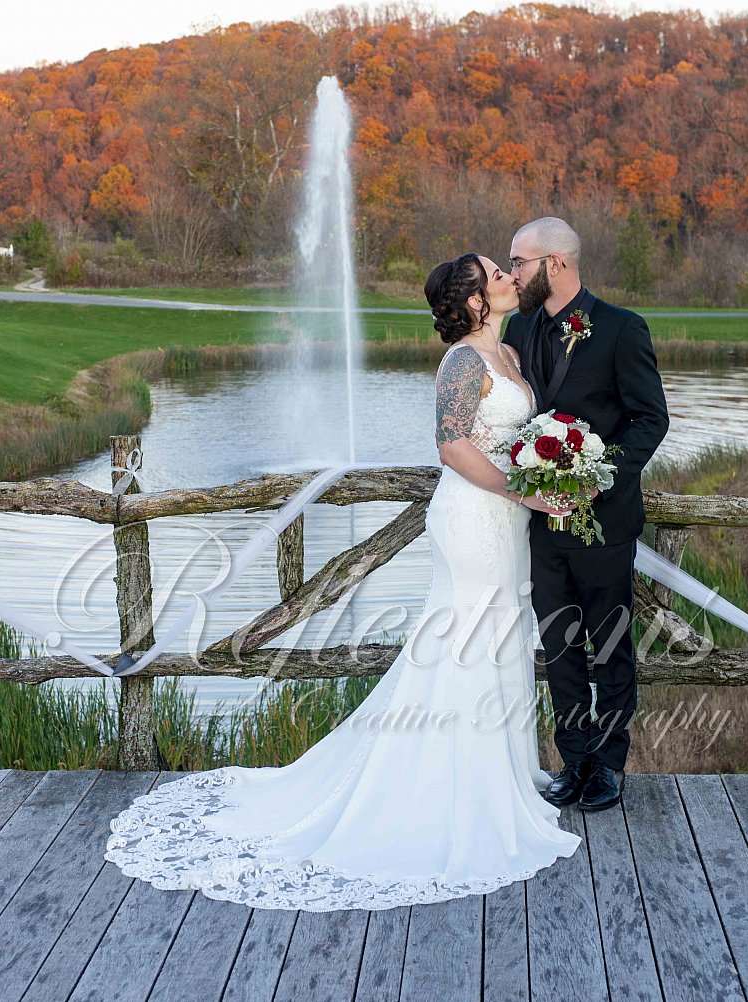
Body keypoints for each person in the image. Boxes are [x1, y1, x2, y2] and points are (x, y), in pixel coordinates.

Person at [102, 252, 584, 911]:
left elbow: (517, 433)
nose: (506, 277)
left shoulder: (510, 358)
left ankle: (494, 782)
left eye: (504, 270)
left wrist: (553, 466)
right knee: (464, 642)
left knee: (500, 638)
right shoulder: (464, 363)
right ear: (472, 301)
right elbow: (451, 445)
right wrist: (522, 491)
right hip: (474, 519)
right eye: (494, 274)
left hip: (507, 524)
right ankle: (452, 796)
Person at [502, 216, 670, 812]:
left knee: (610, 643)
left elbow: (651, 418)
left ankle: (610, 762)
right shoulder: (517, 330)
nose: (513, 271)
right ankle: (573, 761)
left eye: (520, 261)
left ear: (557, 263)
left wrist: (595, 475)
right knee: (560, 644)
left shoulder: (622, 328)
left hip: (603, 520)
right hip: (540, 521)